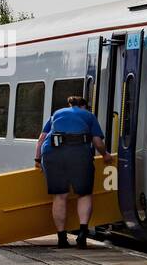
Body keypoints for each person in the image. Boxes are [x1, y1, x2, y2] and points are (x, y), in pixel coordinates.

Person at [34, 95, 111, 249]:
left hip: (53, 153)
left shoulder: (56, 114)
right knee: (84, 194)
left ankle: (62, 239)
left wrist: (37, 160)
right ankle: (82, 235)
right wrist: (105, 155)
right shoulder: (88, 115)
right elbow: (97, 142)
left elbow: (41, 139)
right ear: (83, 106)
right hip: (79, 154)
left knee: (60, 196)